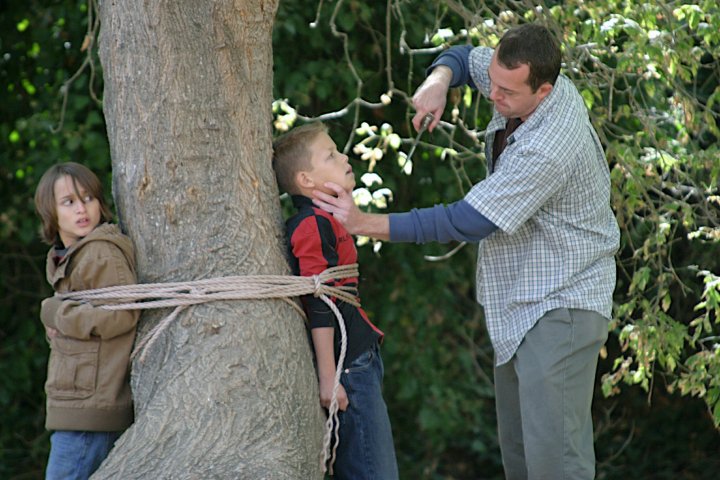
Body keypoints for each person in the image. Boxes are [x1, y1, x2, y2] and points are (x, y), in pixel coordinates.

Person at [313, 23, 620, 480]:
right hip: (523, 302)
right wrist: (437, 82)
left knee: (556, 465)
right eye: (491, 82)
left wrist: (362, 224)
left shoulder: (550, 146)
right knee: (520, 459)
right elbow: (460, 58)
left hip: (563, 303)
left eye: (506, 91)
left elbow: (467, 220)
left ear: (544, 90)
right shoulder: (515, 74)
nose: (492, 95)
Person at [272, 123, 399, 479]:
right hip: (348, 367)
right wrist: (329, 377)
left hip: (357, 360)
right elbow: (321, 300)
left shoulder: (326, 220)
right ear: (306, 181)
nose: (344, 156)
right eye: (330, 155)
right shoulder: (311, 225)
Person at [34, 162, 140, 480]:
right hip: (77, 403)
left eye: (88, 198)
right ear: (50, 211)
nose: (82, 209)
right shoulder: (72, 256)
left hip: (91, 408)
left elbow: (122, 314)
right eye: (69, 202)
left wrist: (55, 313)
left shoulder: (99, 254)